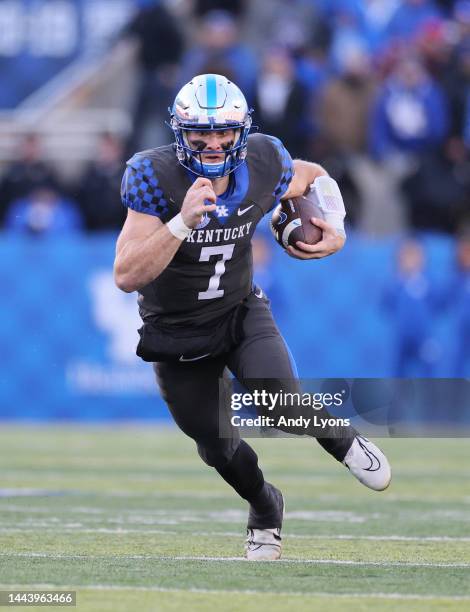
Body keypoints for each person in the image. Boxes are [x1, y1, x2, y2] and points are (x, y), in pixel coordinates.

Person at [114, 74, 391, 561]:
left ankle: (343, 441)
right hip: (176, 332)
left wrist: (336, 227)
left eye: (224, 130)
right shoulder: (152, 174)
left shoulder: (265, 159)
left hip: (240, 309)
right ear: (180, 132)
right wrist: (181, 222)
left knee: (279, 401)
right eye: (202, 132)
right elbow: (127, 273)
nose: (215, 141)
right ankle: (265, 506)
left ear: (242, 130)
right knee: (216, 448)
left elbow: (314, 175)